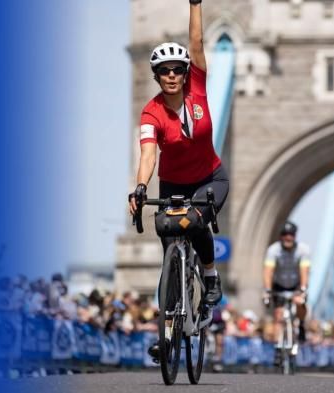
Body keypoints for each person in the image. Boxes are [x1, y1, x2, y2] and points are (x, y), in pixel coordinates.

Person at [127, 0, 229, 361]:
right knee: (168, 244)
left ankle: (211, 276)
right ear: (156, 77)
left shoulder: (199, 87)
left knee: (196, 221)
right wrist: (140, 188)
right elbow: (149, 153)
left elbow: (197, 41)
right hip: (172, 184)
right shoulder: (151, 112)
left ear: (186, 73)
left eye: (176, 69)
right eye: (164, 71)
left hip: (209, 177)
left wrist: (195, 4)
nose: (171, 75)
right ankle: (168, 331)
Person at [263, 221, 310, 365]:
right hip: (279, 284)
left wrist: (302, 289)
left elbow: (304, 271)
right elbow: (268, 271)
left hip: (296, 285)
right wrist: (267, 291)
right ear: (280, 237)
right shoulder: (273, 250)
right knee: (278, 315)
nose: (287, 238)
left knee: (300, 302)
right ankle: (278, 348)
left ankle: (301, 324)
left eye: (290, 235)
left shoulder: (303, 249)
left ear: (295, 236)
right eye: (284, 235)